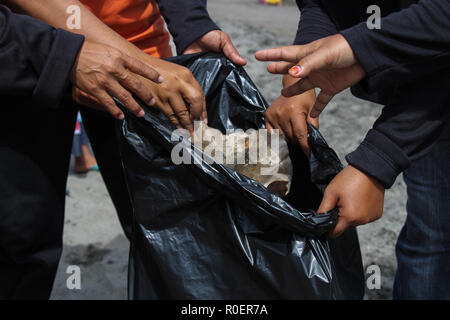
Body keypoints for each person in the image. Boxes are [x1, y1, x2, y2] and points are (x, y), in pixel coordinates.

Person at [1, 0, 244, 299]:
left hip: (138, 52)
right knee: (20, 237)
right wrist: (68, 54)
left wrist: (190, 21)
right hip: (23, 51)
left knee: (169, 223)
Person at [255, 0, 450, 298]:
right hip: (422, 101)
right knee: (431, 234)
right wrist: (305, 67)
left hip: (431, 93)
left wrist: (378, 159)